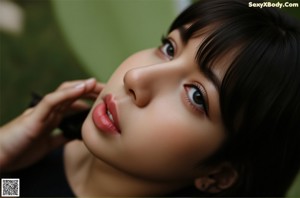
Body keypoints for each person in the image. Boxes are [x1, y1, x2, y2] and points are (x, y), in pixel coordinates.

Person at [1, 0, 300, 196]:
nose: (136, 78)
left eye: (196, 95)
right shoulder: (44, 152)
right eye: (169, 48)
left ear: (219, 174)